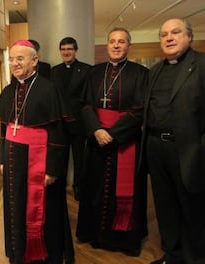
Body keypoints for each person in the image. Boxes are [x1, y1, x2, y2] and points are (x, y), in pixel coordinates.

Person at [0, 40, 74, 263]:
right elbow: (3, 129)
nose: (15, 63)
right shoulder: (8, 91)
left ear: (34, 61)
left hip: (40, 161)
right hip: (12, 160)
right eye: (11, 59)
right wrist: (2, 158)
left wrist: (52, 169)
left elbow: (58, 134)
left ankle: (44, 255)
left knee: (45, 209)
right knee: (14, 207)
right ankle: (19, 253)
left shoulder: (49, 89)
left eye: (20, 58)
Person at [75, 27, 149, 256]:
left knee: (125, 192)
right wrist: (96, 129)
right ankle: (93, 234)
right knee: (94, 188)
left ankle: (124, 240)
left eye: (121, 42)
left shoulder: (140, 73)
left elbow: (140, 110)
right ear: (106, 45)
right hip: (97, 141)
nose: (116, 45)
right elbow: (84, 104)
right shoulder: (94, 72)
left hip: (125, 142)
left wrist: (114, 133)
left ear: (129, 46)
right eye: (112, 41)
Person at [142, 18, 205, 264]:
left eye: (175, 32)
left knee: (192, 206)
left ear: (189, 37)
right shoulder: (155, 71)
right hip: (156, 147)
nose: (168, 38)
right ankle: (173, 254)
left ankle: (197, 257)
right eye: (164, 34)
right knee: (165, 206)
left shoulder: (201, 64)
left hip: (189, 149)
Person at [50, 37, 92, 201]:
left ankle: (79, 188)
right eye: (63, 49)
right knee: (60, 157)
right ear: (60, 51)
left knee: (79, 159)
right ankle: (59, 187)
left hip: (79, 123)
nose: (66, 52)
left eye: (69, 49)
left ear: (75, 50)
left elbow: (88, 97)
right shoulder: (54, 71)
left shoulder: (87, 70)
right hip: (59, 124)